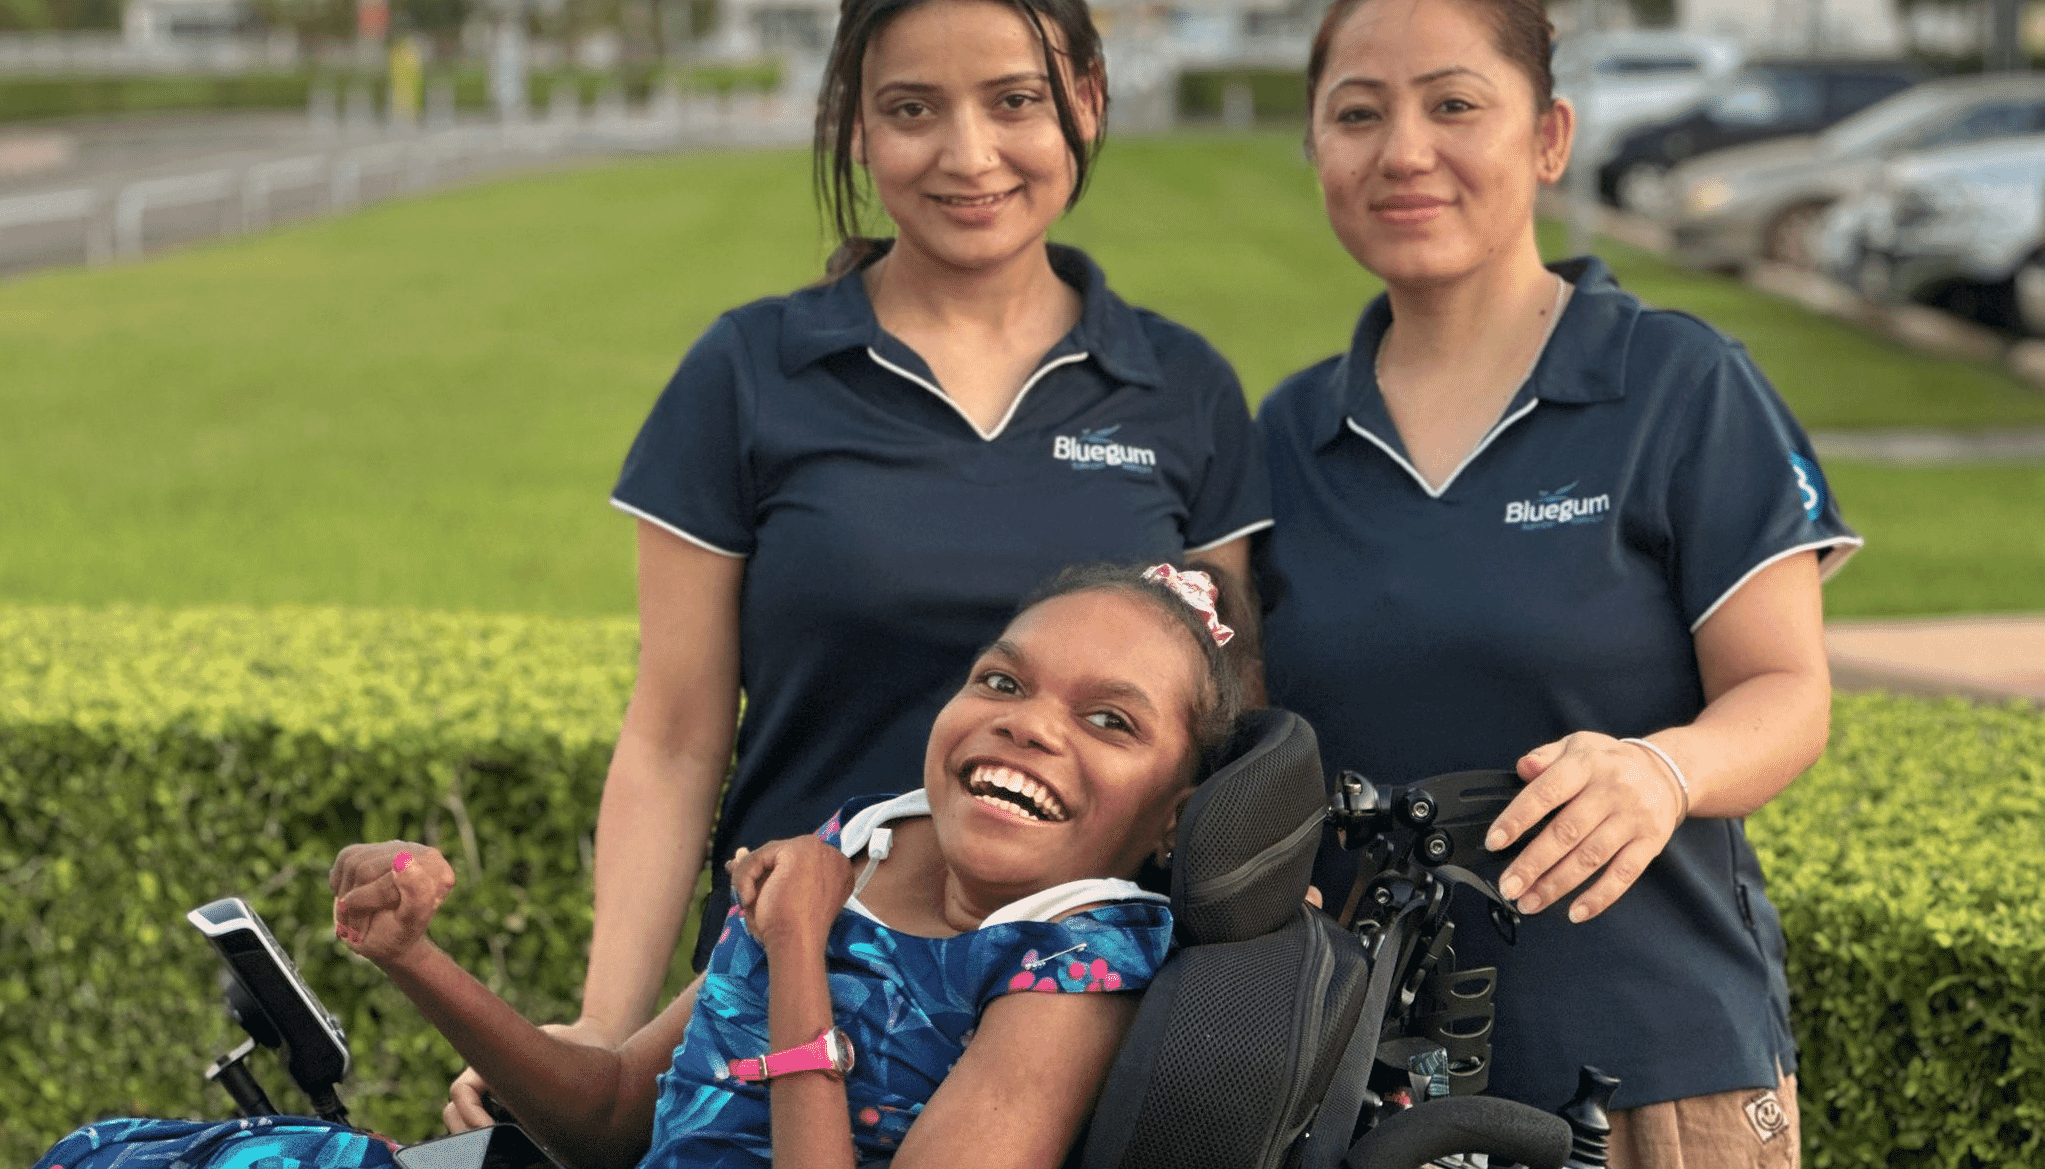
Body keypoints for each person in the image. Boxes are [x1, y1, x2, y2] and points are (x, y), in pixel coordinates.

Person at [529, 0, 1273, 1125]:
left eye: (1014, 101)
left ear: (1086, 100)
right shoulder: (749, 369)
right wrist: (605, 1027)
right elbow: (676, 731)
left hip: (1069, 1040)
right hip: (778, 1005)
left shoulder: (1184, 387)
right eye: (912, 109)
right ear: (854, 127)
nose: (967, 155)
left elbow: (1227, 726)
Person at [34, 563, 1247, 1169]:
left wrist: (793, 958)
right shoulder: (856, 846)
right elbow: (616, 1109)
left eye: (1110, 720)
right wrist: (411, 954)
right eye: (1002, 677)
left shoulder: (1072, 966)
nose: (1028, 720)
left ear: (1167, 818)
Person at [1253, 1, 1861, 1166]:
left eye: (1453, 104)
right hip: (1361, 1092)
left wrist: (1660, 770)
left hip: (1655, 1076)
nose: (1404, 152)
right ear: (1317, 150)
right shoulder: (1281, 438)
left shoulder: (1678, 384)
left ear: (1548, 137)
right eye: (1357, 114)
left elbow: (1786, 693)